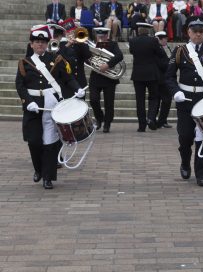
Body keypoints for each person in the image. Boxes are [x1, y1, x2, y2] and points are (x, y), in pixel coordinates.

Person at [15, 25, 84, 189]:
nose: (40, 45)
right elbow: (20, 85)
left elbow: (67, 79)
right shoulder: (24, 63)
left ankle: (48, 177)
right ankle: (38, 169)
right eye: (37, 42)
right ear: (31, 44)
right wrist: (27, 101)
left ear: (47, 44)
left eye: (43, 42)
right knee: (34, 141)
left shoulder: (55, 59)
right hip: (33, 107)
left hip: (51, 106)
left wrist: (77, 88)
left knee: (50, 143)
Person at [166, 17, 203, 186]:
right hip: (185, 99)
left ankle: (202, 173)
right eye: (195, 31)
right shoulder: (180, 50)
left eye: (201, 31)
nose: (198, 34)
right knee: (185, 136)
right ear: (189, 32)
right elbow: (169, 76)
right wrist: (175, 91)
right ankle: (185, 161)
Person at [129, 22, 168, 132]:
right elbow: (160, 54)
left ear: (139, 30)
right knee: (154, 98)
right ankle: (151, 118)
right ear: (148, 31)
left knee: (139, 100)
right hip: (151, 74)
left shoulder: (133, 41)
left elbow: (132, 52)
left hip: (137, 74)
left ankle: (141, 126)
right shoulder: (153, 41)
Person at [88, 27, 123, 133]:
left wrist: (107, 64)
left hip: (109, 79)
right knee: (93, 100)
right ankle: (99, 118)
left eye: (103, 36)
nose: (101, 39)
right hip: (95, 77)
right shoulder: (93, 45)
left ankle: (107, 123)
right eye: (99, 37)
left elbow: (120, 56)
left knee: (109, 103)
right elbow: (85, 56)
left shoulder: (112, 44)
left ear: (107, 36)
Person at [155, 31, 173, 129]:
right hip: (160, 78)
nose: (166, 40)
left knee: (166, 100)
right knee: (161, 100)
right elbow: (162, 63)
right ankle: (158, 120)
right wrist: (170, 62)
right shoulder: (157, 49)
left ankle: (163, 120)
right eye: (164, 38)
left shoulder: (167, 48)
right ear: (160, 39)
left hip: (167, 77)